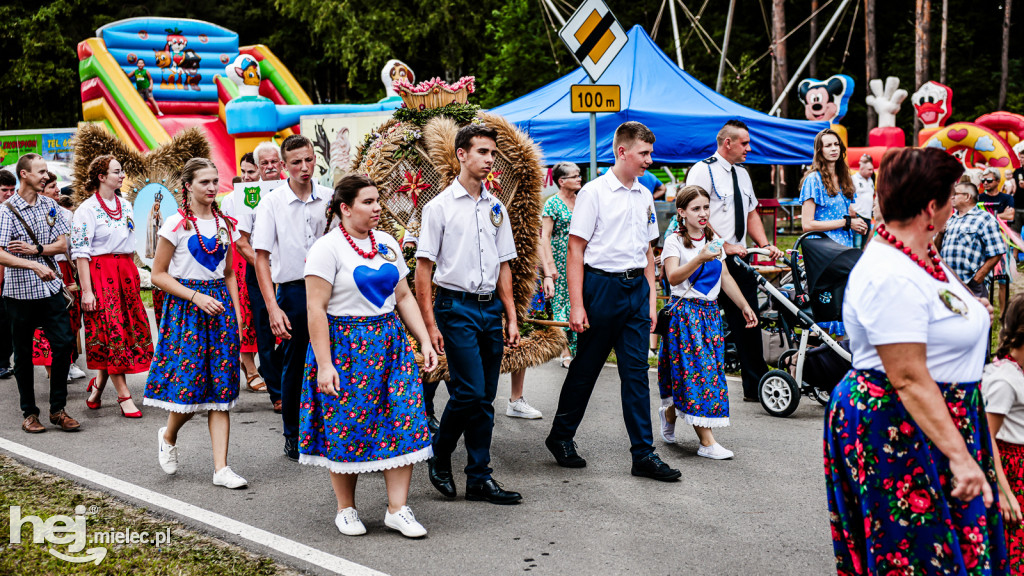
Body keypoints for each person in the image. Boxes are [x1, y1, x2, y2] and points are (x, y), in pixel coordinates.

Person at [824, 147, 1007, 574]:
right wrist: (961, 458)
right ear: (931, 207)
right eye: (951, 198)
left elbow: (938, 311)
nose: (955, 207)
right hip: (901, 423)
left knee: (955, 547)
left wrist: (974, 317)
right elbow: (907, 375)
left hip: (940, 417)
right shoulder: (889, 272)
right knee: (917, 554)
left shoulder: (923, 252)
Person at [301, 174, 437, 537]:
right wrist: (325, 364)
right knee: (347, 425)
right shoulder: (326, 249)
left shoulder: (388, 243)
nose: (377, 207)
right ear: (345, 208)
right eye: (368, 202)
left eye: (378, 200)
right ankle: (346, 509)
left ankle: (398, 508)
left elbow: (404, 296)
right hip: (345, 346)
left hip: (390, 344)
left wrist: (422, 339)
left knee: (404, 418)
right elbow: (316, 309)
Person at [544, 121, 680, 482]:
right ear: (622, 152)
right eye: (644, 153)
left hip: (636, 291)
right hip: (601, 288)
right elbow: (576, 250)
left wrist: (651, 301)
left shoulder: (645, 195)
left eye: (650, 153)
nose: (650, 160)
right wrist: (576, 304)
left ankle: (643, 454)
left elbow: (649, 253)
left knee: (635, 374)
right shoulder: (594, 192)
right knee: (585, 369)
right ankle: (560, 437)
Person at [416, 124, 523, 504]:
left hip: (489, 308)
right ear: (462, 154)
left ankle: (479, 477)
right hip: (454, 306)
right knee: (470, 392)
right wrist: (430, 326)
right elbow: (424, 270)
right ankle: (440, 453)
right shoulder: (439, 207)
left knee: (485, 398)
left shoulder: (496, 207)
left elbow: (504, 265)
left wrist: (510, 316)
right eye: (482, 152)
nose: (489, 160)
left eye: (492, 154)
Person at [144, 158, 247, 489]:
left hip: (220, 309)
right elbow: (158, 274)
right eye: (205, 182)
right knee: (190, 387)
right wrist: (194, 297)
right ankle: (169, 435)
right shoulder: (175, 224)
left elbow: (229, 272)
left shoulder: (225, 224)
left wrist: (237, 311)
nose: (213, 188)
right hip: (188, 310)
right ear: (187, 186)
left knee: (222, 389)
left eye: (215, 181)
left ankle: (221, 468)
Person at [685, 119, 783, 402]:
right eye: (745, 143)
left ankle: (756, 386)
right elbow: (694, 214)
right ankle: (700, 385)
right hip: (709, 259)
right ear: (727, 143)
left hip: (738, 259)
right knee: (704, 324)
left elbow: (751, 213)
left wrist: (764, 246)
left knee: (750, 319)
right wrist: (723, 244)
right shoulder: (703, 170)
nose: (749, 149)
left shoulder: (742, 174)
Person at [657, 185, 757, 460]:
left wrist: (744, 305)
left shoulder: (712, 238)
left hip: (710, 316)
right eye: (696, 209)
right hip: (685, 317)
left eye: (705, 207)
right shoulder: (674, 241)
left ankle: (669, 412)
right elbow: (673, 277)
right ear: (682, 213)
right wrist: (699, 257)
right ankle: (707, 442)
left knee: (710, 375)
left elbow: (724, 276)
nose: (703, 214)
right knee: (696, 377)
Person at [252, 135, 332, 461]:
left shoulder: (329, 197)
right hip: (294, 291)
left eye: (309, 160)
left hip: (329, 289)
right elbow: (260, 257)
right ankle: (294, 434)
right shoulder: (271, 203)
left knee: (331, 359)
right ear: (284, 166)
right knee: (295, 362)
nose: (304, 167)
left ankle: (330, 429)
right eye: (296, 162)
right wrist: (272, 307)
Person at [0, 154, 78, 432]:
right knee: (22, 355)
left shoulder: (50, 205)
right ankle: (29, 413)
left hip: (49, 288)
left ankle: (58, 410)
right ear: (24, 174)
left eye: (46, 172)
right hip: (19, 294)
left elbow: (62, 245)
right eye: (41, 171)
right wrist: (31, 265)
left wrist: (37, 251)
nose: (46, 176)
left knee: (64, 343)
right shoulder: (6, 210)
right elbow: (1, 254)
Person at [72, 155, 153, 418]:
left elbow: (131, 243)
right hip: (101, 273)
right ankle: (123, 396)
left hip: (125, 273)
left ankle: (97, 387)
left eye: (122, 171)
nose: (122, 176)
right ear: (101, 177)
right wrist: (86, 290)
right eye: (117, 172)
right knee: (112, 330)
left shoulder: (126, 205)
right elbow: (81, 253)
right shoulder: (86, 209)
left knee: (123, 330)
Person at [233, 141, 285, 414]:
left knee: (295, 332)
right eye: (263, 163)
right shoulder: (249, 195)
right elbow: (242, 243)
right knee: (264, 332)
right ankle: (277, 394)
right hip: (260, 271)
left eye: (273, 162)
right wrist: (267, 268)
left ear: (281, 164)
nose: (268, 167)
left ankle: (273, 370)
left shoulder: (294, 189)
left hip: (292, 274)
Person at [982, 294, 1024, 573]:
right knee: (1012, 546)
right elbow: (988, 439)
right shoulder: (1003, 381)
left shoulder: (1017, 372)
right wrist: (1004, 492)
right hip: (1011, 471)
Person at [32, 171, 86, 381]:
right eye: (51, 186)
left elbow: (70, 247)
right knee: (47, 322)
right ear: (41, 190)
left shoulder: (66, 214)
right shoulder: (34, 213)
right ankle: (51, 367)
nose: (57, 190)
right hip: (46, 270)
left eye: (56, 185)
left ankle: (69, 361)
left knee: (71, 318)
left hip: (66, 271)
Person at [220, 152, 262, 391]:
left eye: (251, 171)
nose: (245, 177)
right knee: (245, 312)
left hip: (267, 256)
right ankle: (250, 366)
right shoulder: (232, 199)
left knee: (262, 314)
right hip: (241, 257)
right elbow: (235, 238)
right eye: (243, 171)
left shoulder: (274, 193)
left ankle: (254, 363)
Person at [798, 128, 865, 247]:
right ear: (820, 151)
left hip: (844, 247)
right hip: (823, 249)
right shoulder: (813, 180)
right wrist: (847, 223)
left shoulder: (845, 178)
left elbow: (842, 215)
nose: (834, 148)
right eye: (828, 145)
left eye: (836, 144)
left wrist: (858, 225)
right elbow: (807, 225)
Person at [541, 161, 580, 368]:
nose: (579, 179)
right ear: (561, 181)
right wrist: (549, 266)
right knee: (560, 305)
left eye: (579, 175)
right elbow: (544, 237)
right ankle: (564, 351)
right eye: (574, 176)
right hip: (560, 261)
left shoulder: (583, 200)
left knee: (578, 303)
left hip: (581, 260)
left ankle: (577, 348)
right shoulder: (552, 204)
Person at [939, 182, 1006, 299]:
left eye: (955, 194)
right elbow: (936, 250)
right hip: (949, 282)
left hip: (971, 284)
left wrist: (978, 277)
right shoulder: (950, 220)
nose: (951, 197)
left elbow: (998, 251)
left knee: (975, 316)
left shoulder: (985, 218)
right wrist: (940, 233)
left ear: (967, 196)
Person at [980, 166, 1015, 315]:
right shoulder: (979, 198)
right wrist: (1000, 215)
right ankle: (984, 313)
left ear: (998, 181)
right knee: (983, 280)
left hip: (1002, 242)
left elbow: (1011, 216)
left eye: (988, 180)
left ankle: (1003, 315)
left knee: (1003, 281)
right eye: (983, 180)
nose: (985, 183)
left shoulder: (1007, 198)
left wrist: (990, 216)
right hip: (982, 243)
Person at [0, 170, 17, 379]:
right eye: (4, 190)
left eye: (13, 190)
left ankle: (3, 362)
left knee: (5, 322)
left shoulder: (12, 211)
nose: (9, 194)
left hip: (9, 275)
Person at [850, 153, 875, 248]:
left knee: (864, 244)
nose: (872, 172)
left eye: (872, 169)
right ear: (862, 169)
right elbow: (847, 195)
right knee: (856, 244)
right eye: (869, 169)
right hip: (858, 216)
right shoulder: (853, 179)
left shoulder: (870, 180)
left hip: (868, 217)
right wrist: (851, 209)